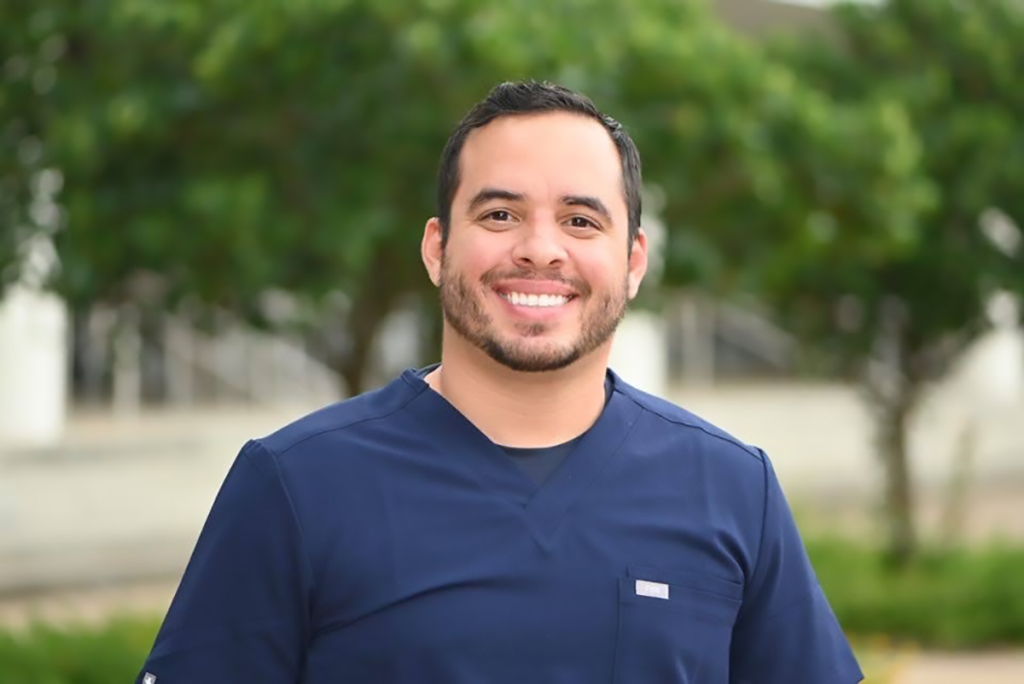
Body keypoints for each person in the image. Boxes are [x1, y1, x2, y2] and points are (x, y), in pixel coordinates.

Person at [136, 80, 863, 684]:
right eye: (500, 213)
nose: (539, 249)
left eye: (581, 220)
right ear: (436, 247)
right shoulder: (295, 486)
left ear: (635, 261)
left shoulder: (732, 488)